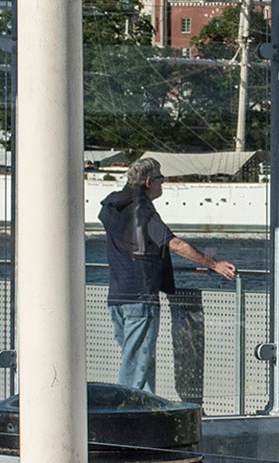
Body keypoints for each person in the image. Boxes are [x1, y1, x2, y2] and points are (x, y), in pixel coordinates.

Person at [97, 157, 235, 394]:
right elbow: (175, 243)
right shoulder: (143, 210)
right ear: (149, 181)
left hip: (117, 297)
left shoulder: (112, 205)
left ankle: (146, 412)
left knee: (140, 359)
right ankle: (123, 416)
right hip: (141, 297)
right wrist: (213, 263)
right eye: (161, 178)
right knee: (135, 366)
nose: (163, 183)